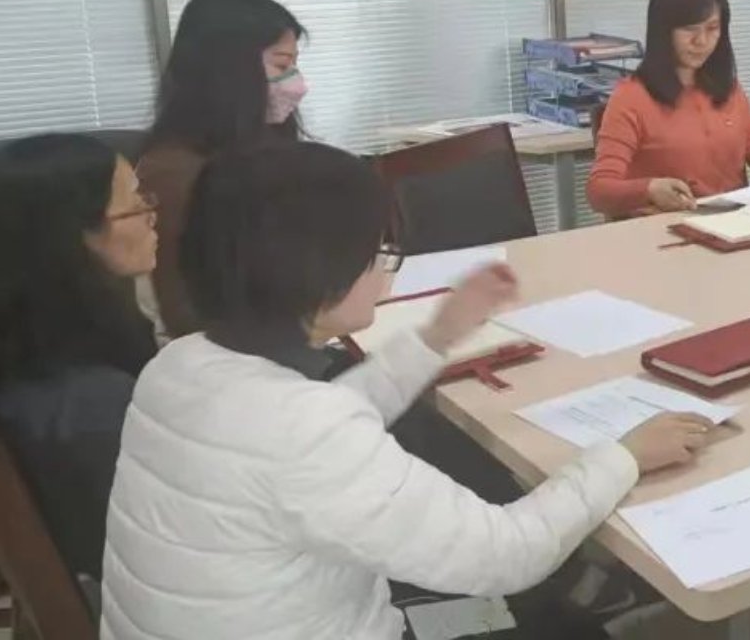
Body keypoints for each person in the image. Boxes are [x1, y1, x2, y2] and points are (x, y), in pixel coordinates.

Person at [101, 141, 711, 640]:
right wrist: (624, 456)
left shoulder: (180, 365)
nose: (386, 271)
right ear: (318, 271)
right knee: (555, 622)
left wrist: (438, 334)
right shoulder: (303, 433)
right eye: (379, 253)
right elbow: (507, 554)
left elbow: (324, 425)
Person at [0, 135, 158, 587]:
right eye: (135, 203)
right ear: (74, 237)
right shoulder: (90, 404)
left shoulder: (32, 353)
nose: (152, 214)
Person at [139, 0, 308, 335]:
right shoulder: (173, 174)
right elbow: (185, 311)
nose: (298, 85)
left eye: (294, 65)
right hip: (222, 352)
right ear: (229, 70)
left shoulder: (261, 148)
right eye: (282, 64)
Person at [587, 0, 750, 218]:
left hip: (733, 224)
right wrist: (648, 190)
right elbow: (599, 190)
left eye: (712, 28)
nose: (702, 41)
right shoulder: (631, 98)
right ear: (664, 31)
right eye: (690, 30)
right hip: (666, 229)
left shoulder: (728, 88)